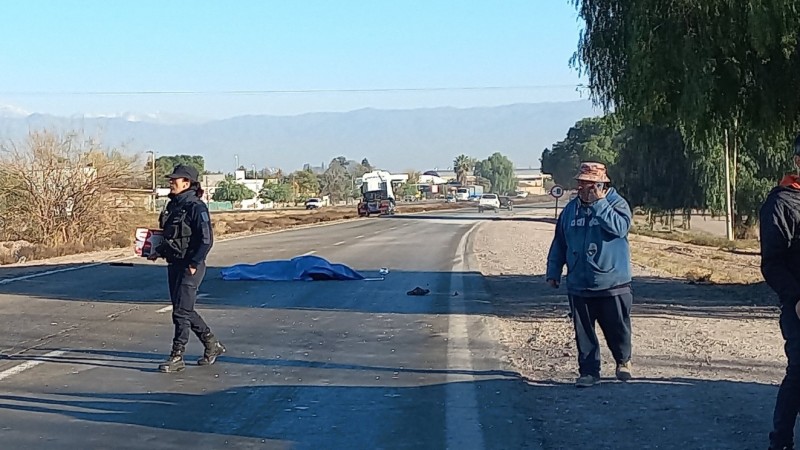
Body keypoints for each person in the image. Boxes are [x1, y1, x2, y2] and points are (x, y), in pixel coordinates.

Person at [545, 162, 634, 388]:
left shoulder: (616, 203)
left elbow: (620, 228)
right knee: (583, 333)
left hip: (612, 282)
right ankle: (589, 372)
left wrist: (599, 204)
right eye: (580, 184)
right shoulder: (570, 210)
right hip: (578, 282)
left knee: (617, 328)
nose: (581, 189)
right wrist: (553, 271)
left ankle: (623, 361)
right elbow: (560, 242)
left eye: (587, 185)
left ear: (601, 185)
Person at [148, 164, 225, 373]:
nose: (171, 182)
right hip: (174, 263)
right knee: (183, 310)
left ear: (187, 183)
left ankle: (177, 356)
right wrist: (157, 251)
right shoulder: (173, 206)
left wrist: (194, 262)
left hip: (191, 266)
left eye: (175, 179)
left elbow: (206, 240)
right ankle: (211, 343)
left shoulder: (196, 207)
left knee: (181, 313)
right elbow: (171, 237)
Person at [760, 134, 800, 450]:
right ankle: (781, 439)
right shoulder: (781, 203)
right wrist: (796, 297)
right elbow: (771, 264)